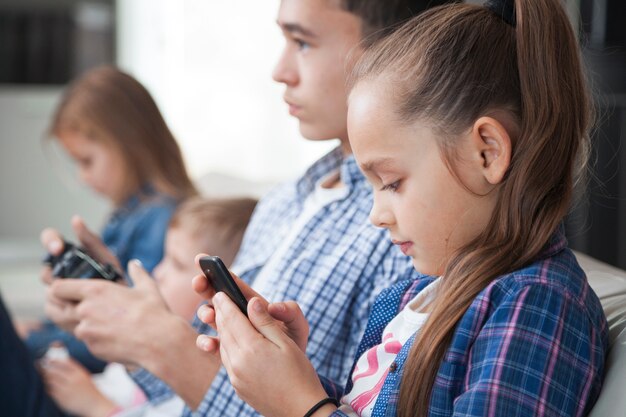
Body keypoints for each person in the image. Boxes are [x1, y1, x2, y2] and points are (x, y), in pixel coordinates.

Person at [41, 1, 457, 416]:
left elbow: (347, 404)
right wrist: (130, 330)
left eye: (303, 42)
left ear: (388, 51)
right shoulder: (287, 198)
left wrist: (166, 348)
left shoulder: (410, 227)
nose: (280, 70)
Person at [203, 1, 610, 416]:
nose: (376, 215)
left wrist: (300, 406)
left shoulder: (537, 305)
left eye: (393, 183)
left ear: (487, 152)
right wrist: (291, 371)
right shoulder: (417, 296)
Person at [22, 65, 197, 373]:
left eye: (86, 161)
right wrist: (45, 327)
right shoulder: (128, 214)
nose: (82, 177)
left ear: (129, 143)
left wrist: (38, 342)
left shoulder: (163, 222)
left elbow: (124, 328)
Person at [36, 197, 256, 417]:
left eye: (176, 264)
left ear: (219, 288)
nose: (158, 272)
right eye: (164, 258)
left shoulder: (202, 370)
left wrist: (98, 407)